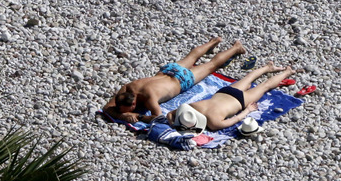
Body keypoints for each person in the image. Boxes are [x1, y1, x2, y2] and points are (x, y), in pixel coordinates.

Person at [103, 38, 245, 124]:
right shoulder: (127, 88)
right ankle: (215, 41)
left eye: (126, 110)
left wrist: (137, 116)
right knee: (192, 56)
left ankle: (236, 48)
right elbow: (107, 108)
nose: (121, 111)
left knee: (212, 65)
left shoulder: (149, 98)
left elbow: (158, 117)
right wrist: (124, 114)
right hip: (168, 70)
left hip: (181, 79)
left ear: (134, 104)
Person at [167, 62, 295, 132]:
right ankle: (268, 67)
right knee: (248, 78)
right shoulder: (192, 108)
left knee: (265, 86)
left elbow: (235, 119)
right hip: (223, 92)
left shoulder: (213, 123)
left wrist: (248, 110)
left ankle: (287, 71)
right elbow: (170, 114)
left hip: (239, 100)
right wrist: (173, 124)